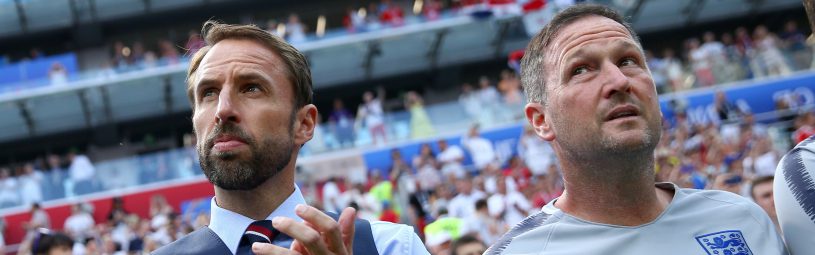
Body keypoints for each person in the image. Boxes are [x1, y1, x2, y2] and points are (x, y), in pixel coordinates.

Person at [486, 4, 786, 254]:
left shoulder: (741, 219)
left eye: (628, 61)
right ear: (541, 120)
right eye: (581, 70)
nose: (618, 81)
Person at [153, 21, 427, 255]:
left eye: (251, 88)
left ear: (304, 124)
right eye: (209, 93)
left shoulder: (392, 246)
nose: (223, 110)